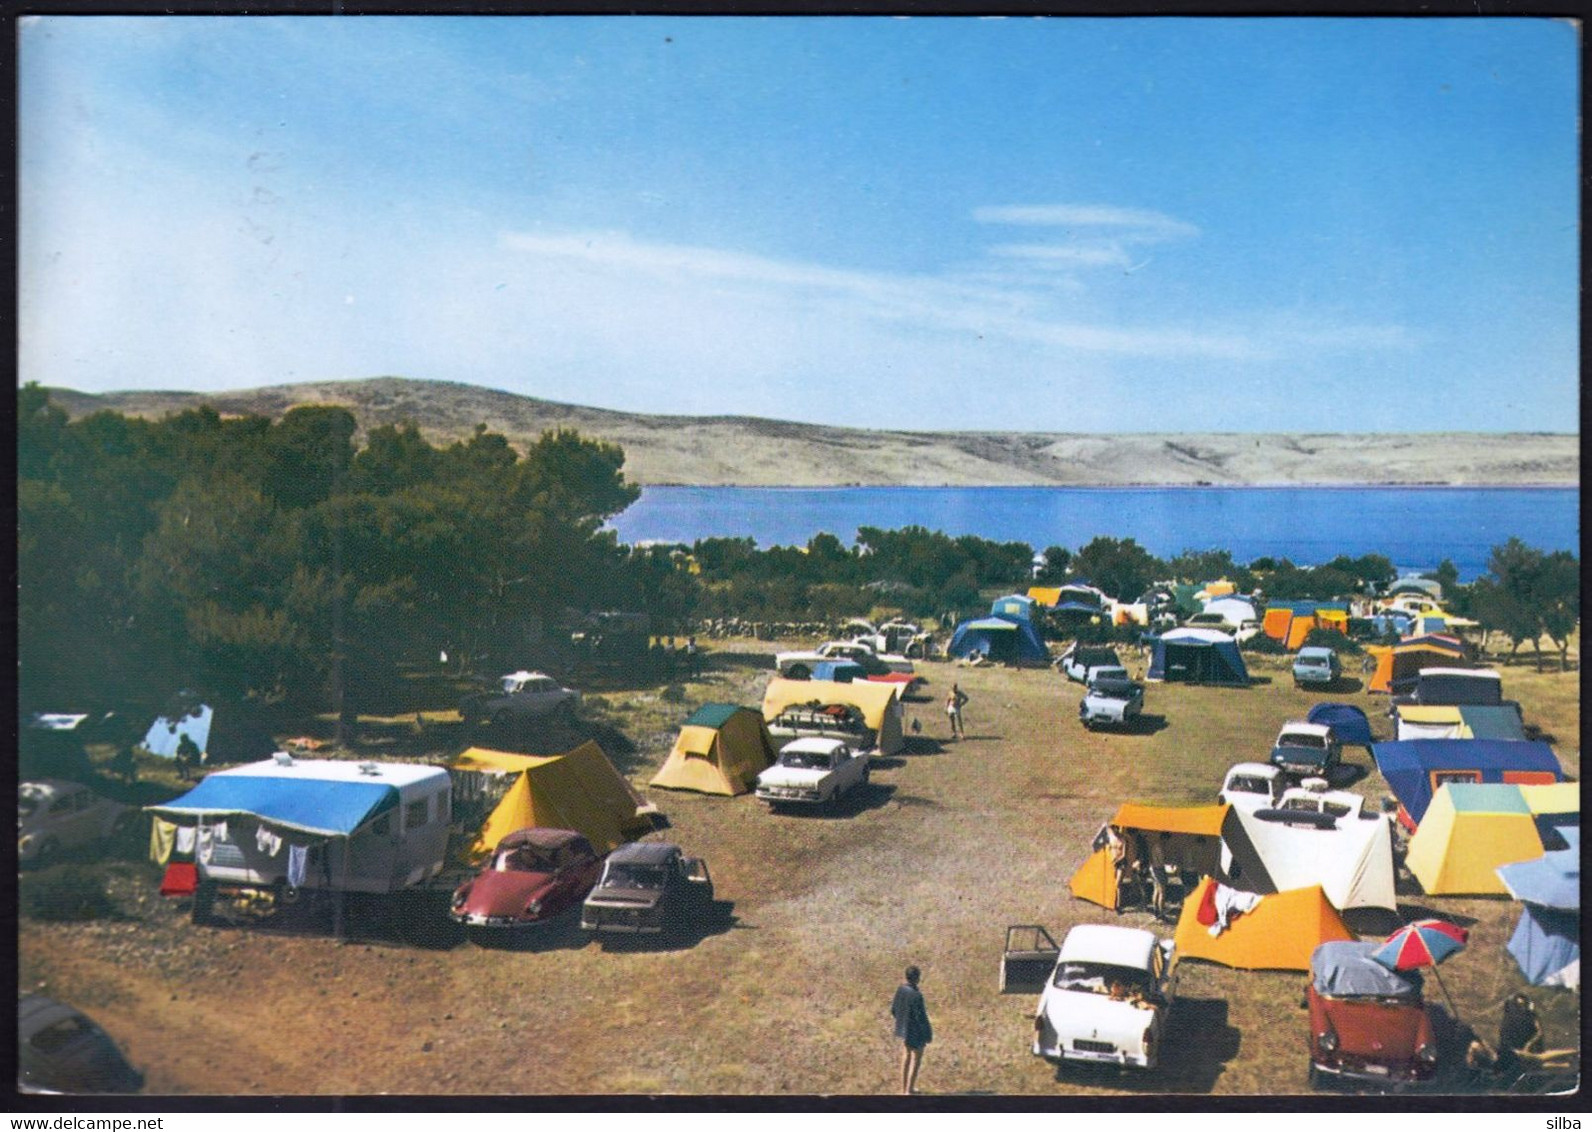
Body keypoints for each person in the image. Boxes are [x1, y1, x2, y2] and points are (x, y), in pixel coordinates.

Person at [891, 965, 933, 1095]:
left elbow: (893, 1010)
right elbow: (921, 1018)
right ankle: (909, 1090)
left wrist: (902, 1022)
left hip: (904, 1030)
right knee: (916, 1059)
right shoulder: (916, 995)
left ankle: (903, 1088)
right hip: (915, 1032)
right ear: (917, 978)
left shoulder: (900, 990)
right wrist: (927, 1033)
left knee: (906, 1056)